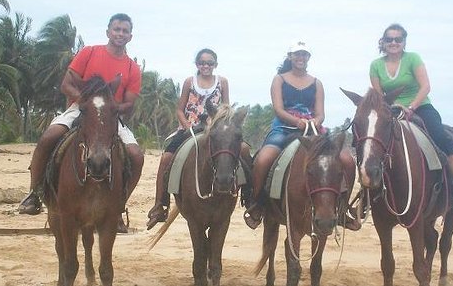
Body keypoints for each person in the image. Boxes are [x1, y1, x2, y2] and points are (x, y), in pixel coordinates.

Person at [18, 13, 146, 229]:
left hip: (110, 114)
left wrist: (108, 108)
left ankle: (118, 206)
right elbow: (66, 84)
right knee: (49, 137)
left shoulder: (132, 68)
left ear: (130, 36)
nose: (120, 34)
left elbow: (130, 103)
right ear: (108, 32)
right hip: (80, 107)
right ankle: (34, 193)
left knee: (136, 156)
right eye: (116, 29)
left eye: (125, 31)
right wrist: (88, 101)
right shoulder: (89, 52)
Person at [243, 41, 358, 230]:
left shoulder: (316, 82)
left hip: (312, 129)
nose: (300, 58)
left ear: (308, 58)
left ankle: (342, 208)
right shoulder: (279, 79)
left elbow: (321, 113)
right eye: (297, 54)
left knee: (346, 159)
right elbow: (278, 109)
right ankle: (257, 203)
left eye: (304, 54)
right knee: (264, 159)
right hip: (284, 128)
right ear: (290, 57)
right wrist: (296, 122)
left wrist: (315, 122)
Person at [369, 23, 453, 212]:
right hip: (391, 110)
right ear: (383, 42)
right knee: (372, 143)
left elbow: (426, 87)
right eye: (389, 39)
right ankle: (369, 194)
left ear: (404, 42)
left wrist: (411, 107)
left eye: (398, 39)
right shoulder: (375, 65)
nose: (393, 42)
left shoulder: (413, 59)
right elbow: (378, 97)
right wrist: (391, 108)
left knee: (441, 138)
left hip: (420, 106)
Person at [146, 48, 230, 230]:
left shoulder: (222, 82)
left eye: (209, 63)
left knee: (239, 152)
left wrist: (217, 124)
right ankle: (161, 203)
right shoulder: (189, 82)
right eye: (202, 62)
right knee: (166, 158)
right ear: (197, 64)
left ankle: (248, 197)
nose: (206, 66)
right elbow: (179, 109)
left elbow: (226, 107)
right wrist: (187, 126)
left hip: (214, 128)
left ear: (215, 64)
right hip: (190, 127)